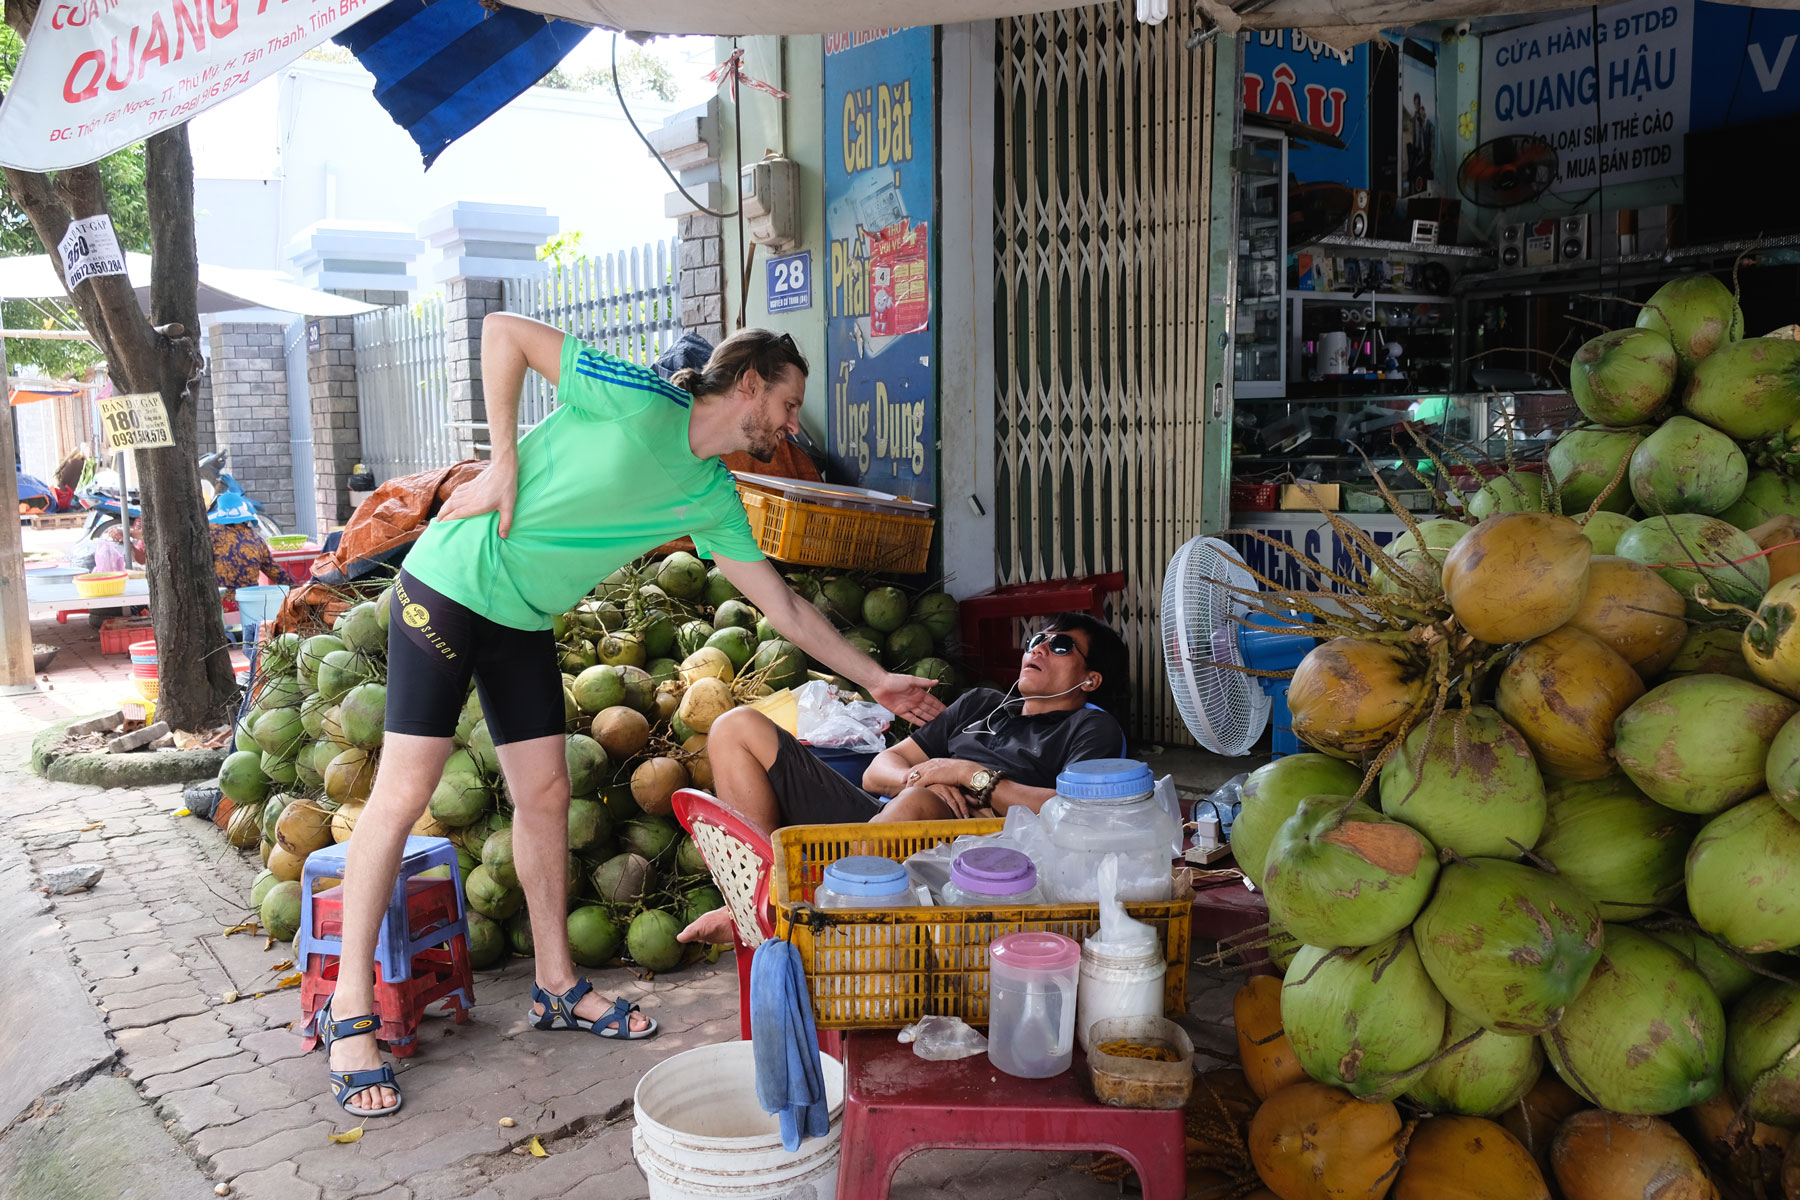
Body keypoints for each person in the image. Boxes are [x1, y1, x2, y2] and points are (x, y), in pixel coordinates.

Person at [321, 315, 945, 1118]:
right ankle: (350, 1014)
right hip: (450, 583)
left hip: (521, 619)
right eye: (789, 404)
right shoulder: (634, 398)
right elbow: (503, 331)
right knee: (405, 794)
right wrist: (503, 463)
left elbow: (783, 606)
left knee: (545, 795)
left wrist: (876, 678)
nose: (793, 425)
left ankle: (554, 985)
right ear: (748, 382)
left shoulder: (715, 494)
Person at [676, 613, 1129, 945]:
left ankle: (791, 920)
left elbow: (1074, 813)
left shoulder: (1092, 728)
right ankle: (759, 899)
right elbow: (878, 771)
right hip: (885, 815)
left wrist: (970, 776)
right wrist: (926, 777)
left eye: (1061, 645)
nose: (1039, 648)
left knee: (919, 804)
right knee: (735, 726)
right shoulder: (980, 704)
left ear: (1089, 680)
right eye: (1037, 638)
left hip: (970, 854)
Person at [207, 492, 292, 590]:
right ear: (245, 519)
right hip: (250, 599)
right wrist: (297, 591)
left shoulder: (211, 533)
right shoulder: (256, 539)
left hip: (222, 600)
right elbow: (274, 571)